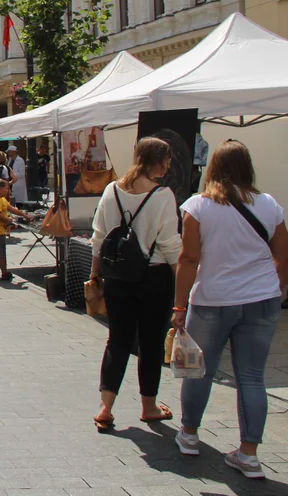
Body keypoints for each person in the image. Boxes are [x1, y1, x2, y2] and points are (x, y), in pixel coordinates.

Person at [171, 140, 288, 475]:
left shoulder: (198, 206)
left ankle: (190, 435)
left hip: (212, 299)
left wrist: (179, 306)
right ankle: (248, 453)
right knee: (252, 377)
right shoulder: (268, 204)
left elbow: (189, 258)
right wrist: (275, 287)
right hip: (261, 300)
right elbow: (284, 252)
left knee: (198, 369)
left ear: (213, 167)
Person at [90, 137, 181, 433]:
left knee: (117, 340)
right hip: (153, 276)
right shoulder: (162, 195)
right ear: (157, 161)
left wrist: (95, 273)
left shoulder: (111, 190)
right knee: (151, 343)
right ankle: (148, 406)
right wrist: (184, 282)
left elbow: (100, 237)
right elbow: (169, 244)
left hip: (116, 276)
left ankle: (105, 407)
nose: (167, 166)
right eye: (166, 160)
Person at [0, 179, 30, 281]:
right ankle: (4, 272)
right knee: (0, 253)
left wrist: (23, 214)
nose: (7, 190)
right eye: (6, 188)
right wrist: (8, 219)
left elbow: (10, 208)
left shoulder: (1, 199)